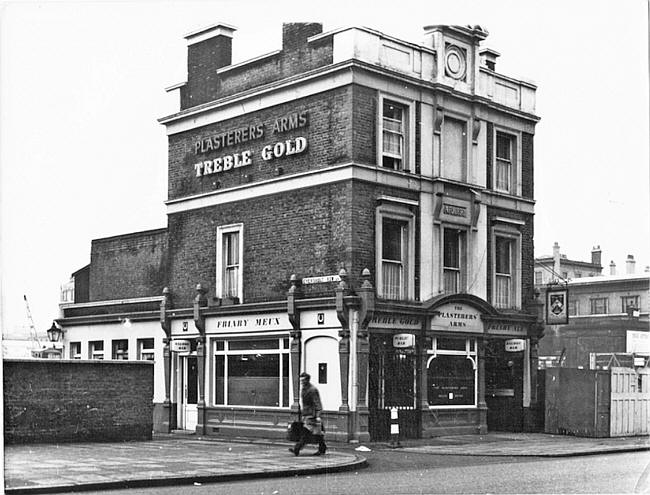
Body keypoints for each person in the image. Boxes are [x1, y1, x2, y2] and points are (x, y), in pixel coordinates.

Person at [289, 372, 327, 456]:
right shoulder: (304, 389)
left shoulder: (312, 390)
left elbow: (317, 403)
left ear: (307, 380)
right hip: (306, 414)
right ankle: (322, 449)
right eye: (301, 380)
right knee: (317, 433)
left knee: (306, 433)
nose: (301, 382)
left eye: (303, 380)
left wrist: (318, 415)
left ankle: (297, 449)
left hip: (312, 415)